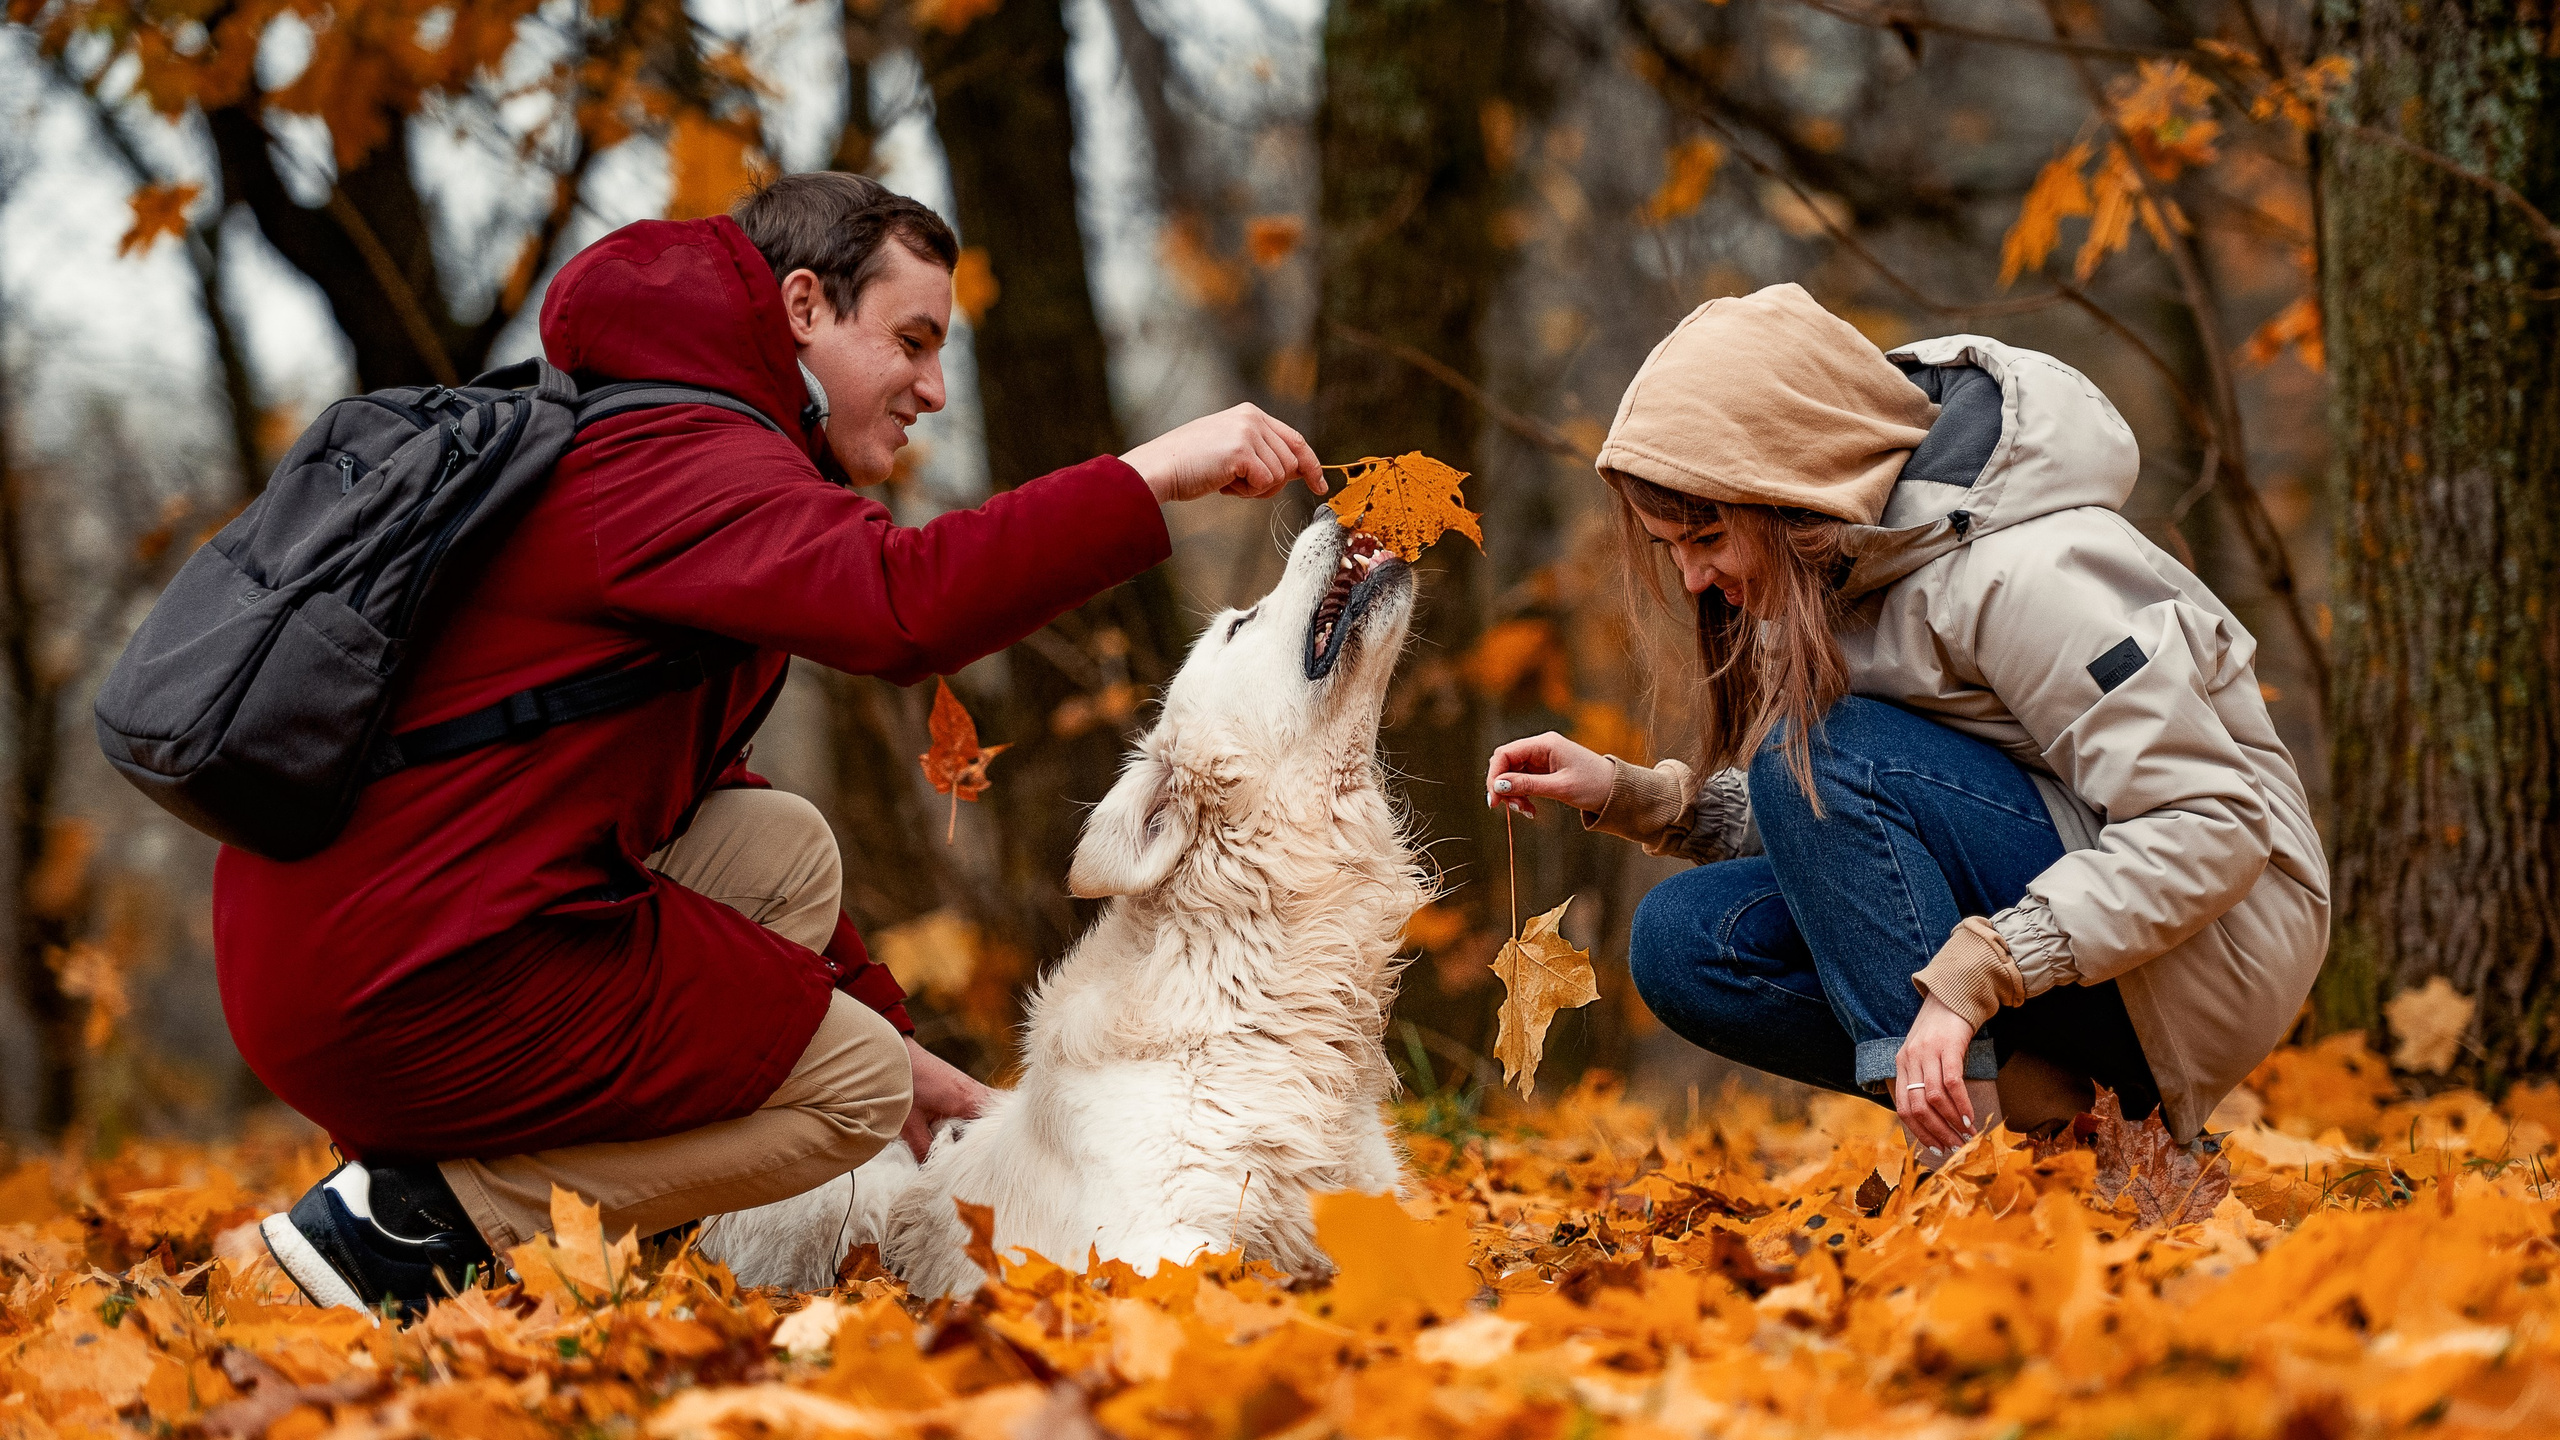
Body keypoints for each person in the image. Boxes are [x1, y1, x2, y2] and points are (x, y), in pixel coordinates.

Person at [237, 173, 1328, 1312]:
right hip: (391, 966)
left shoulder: (662, 431)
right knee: (848, 1090)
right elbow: (905, 605)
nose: (933, 389)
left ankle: (548, 1222)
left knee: (781, 852)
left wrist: (898, 1037)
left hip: (392, 925)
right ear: (803, 306)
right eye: (910, 341)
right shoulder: (674, 451)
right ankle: (413, 1219)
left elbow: (698, 785)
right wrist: (1147, 475)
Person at [1485, 284, 2327, 1160]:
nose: (1695, 580)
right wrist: (1641, 798)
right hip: (2073, 930)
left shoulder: (2027, 572)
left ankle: (1965, 1175)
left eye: (1708, 539)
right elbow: (1846, 837)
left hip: (2209, 954)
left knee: (1821, 749)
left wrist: (1982, 968)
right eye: (1672, 549)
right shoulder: (1817, 581)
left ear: (1786, 489)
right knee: (1685, 941)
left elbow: (2212, 824)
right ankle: (2055, 1128)